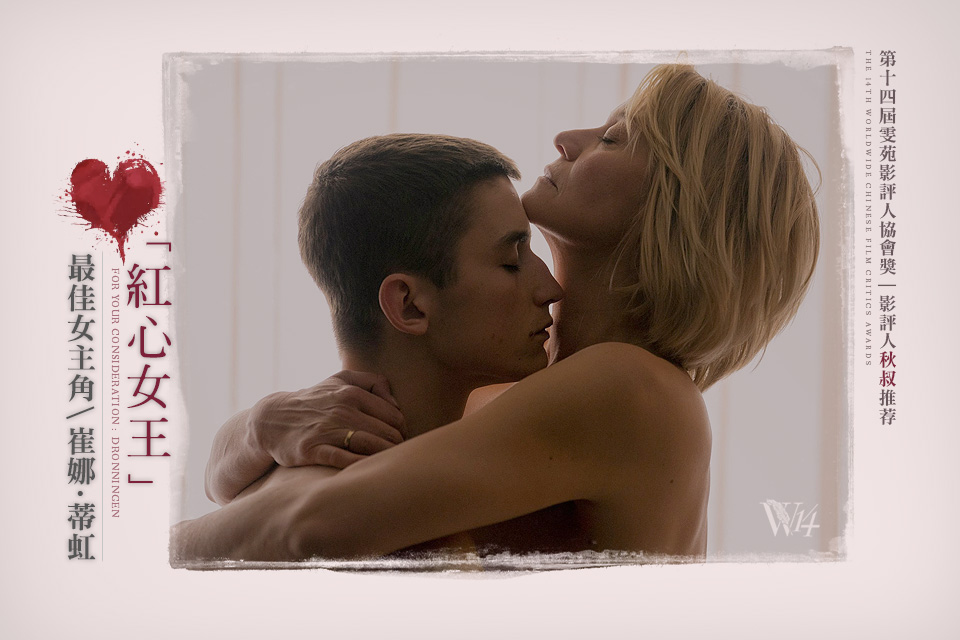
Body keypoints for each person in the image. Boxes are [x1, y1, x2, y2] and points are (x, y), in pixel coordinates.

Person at [177, 64, 820, 562]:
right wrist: (257, 427)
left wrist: (154, 558)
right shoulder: (503, 390)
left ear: (680, 210)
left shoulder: (630, 388)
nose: (567, 139)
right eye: (512, 258)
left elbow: (307, 527)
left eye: (613, 138)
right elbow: (263, 491)